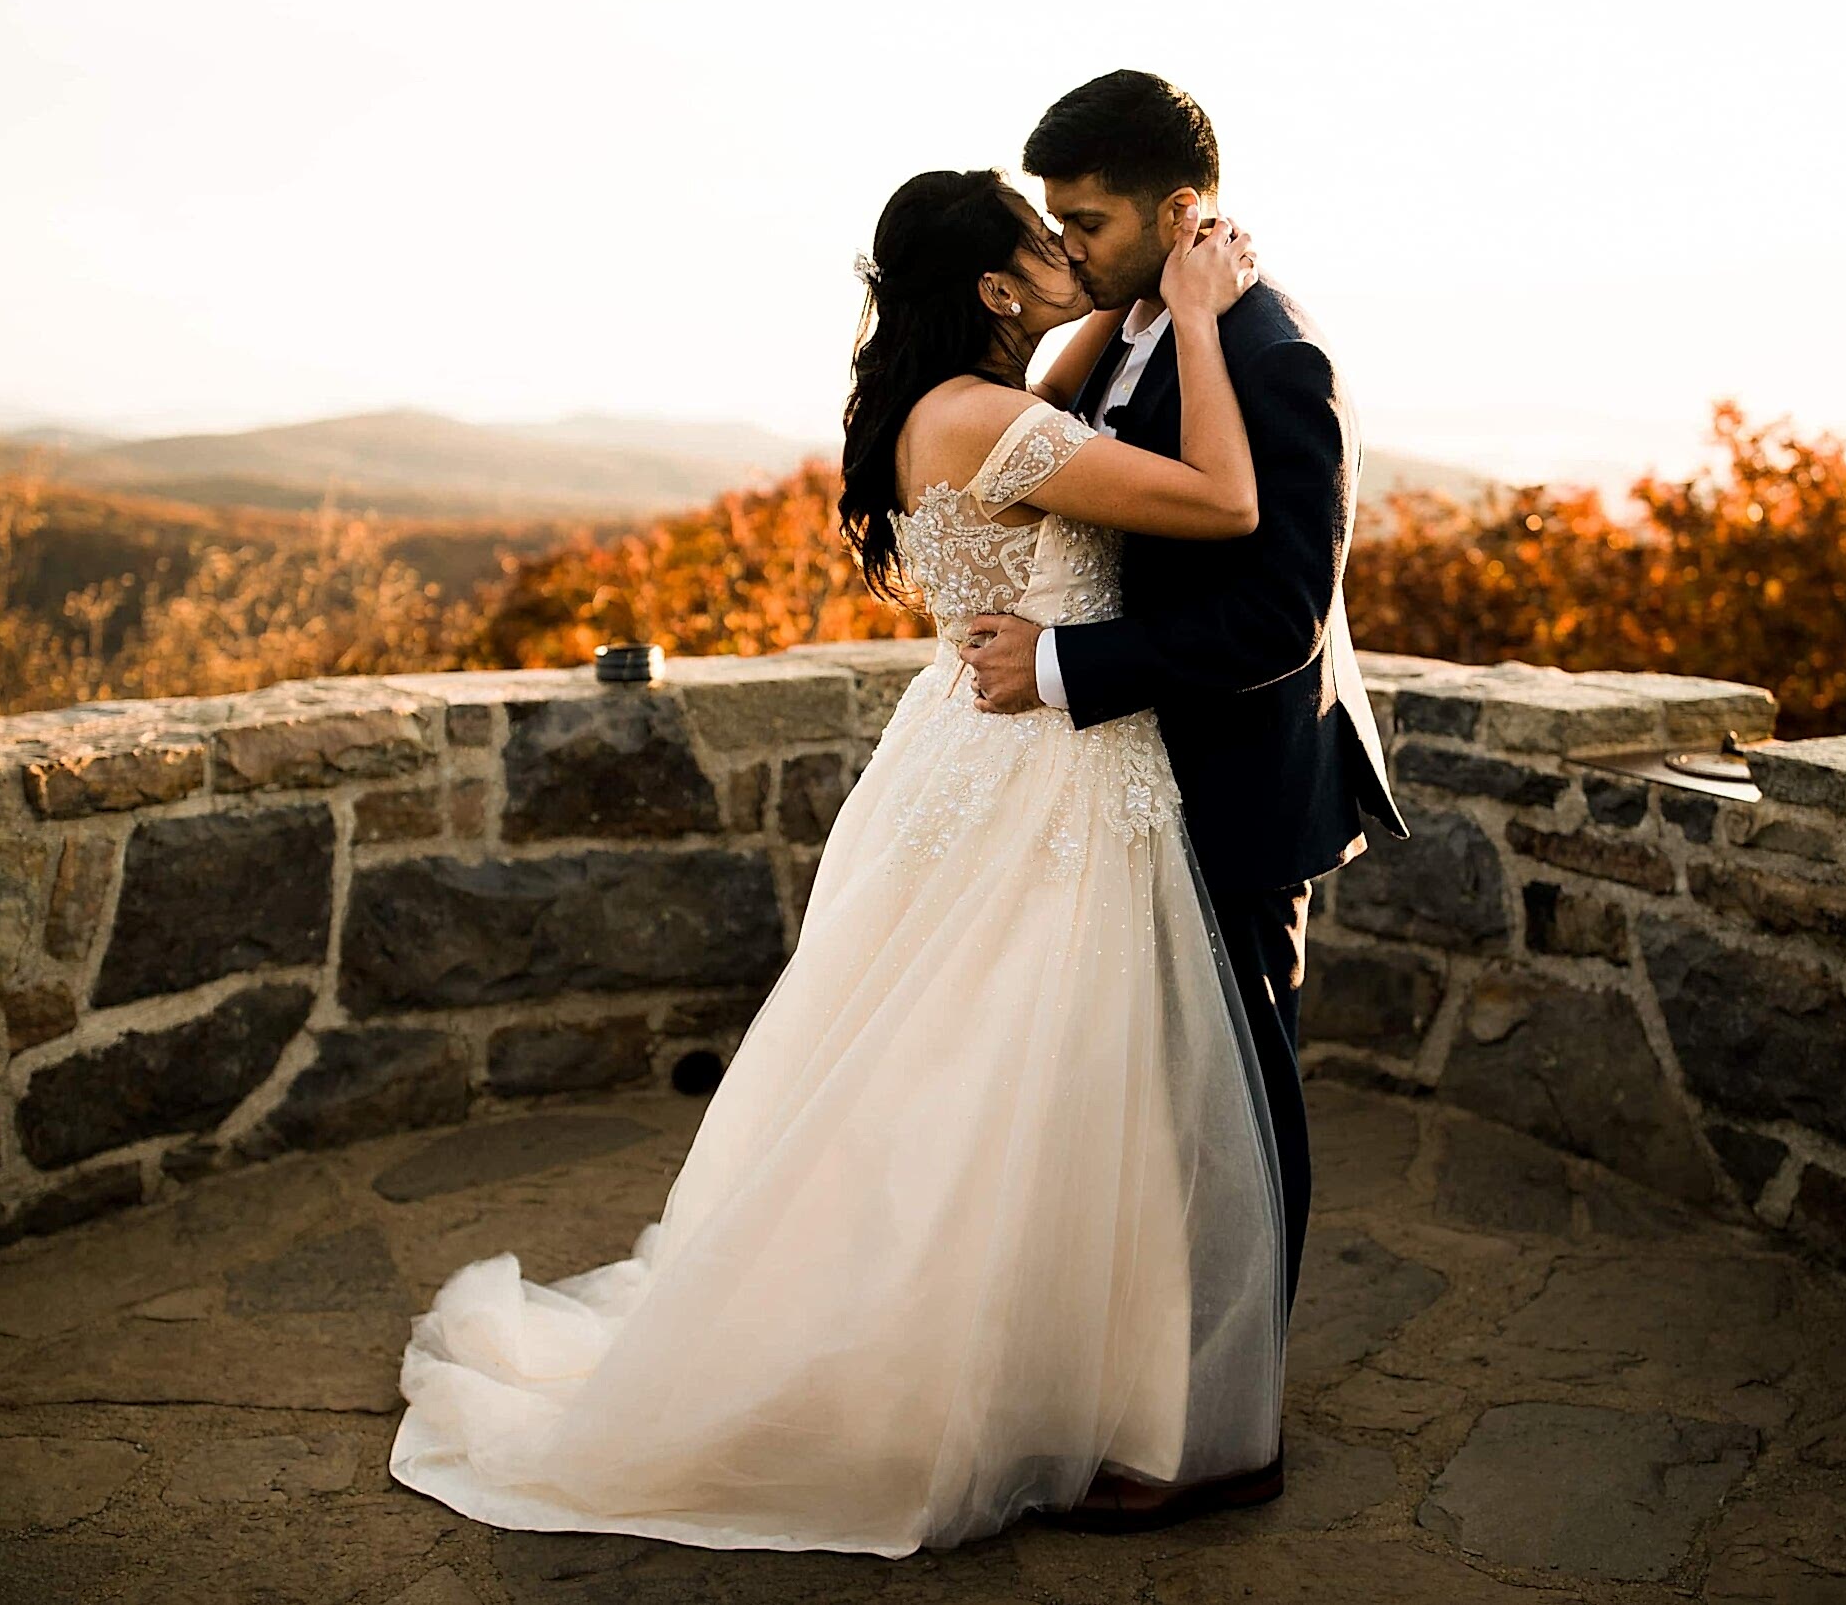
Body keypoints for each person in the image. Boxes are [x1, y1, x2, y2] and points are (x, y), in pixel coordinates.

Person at [388, 164, 1294, 1556]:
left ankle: (1042, 1371)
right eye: (1041, 245)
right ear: (996, 288)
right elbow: (1230, 502)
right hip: (1040, 772)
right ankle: (1006, 1384)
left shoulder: (951, 404)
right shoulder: (994, 418)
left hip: (968, 745)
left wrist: (1121, 322)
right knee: (1026, 1070)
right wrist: (1201, 315)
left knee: (956, 1071)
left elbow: (1054, 371)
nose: (1068, 254)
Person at [962, 77, 1409, 1517]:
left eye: (1086, 221)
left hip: (1230, 783)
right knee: (1152, 1102)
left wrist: (1060, 663)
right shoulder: (1138, 330)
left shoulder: (1276, 360)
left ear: (1174, 212)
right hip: (1139, 783)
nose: (1068, 245)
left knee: (1236, 1108)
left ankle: (1232, 1437)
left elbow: (1277, 614)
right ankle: (1145, 1380)